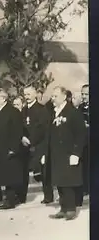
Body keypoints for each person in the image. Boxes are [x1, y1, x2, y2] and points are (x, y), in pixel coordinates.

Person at [44, 86, 86, 221]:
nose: (53, 98)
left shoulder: (72, 112)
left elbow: (81, 135)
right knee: (59, 182)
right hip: (57, 154)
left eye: (55, 96)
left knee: (68, 183)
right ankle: (63, 208)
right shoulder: (54, 112)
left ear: (63, 97)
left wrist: (76, 153)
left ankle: (71, 209)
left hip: (68, 153)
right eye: (52, 96)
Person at [19, 85, 52, 205]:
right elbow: (21, 125)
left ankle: (48, 196)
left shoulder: (42, 109)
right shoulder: (24, 109)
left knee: (43, 172)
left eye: (28, 94)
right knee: (23, 172)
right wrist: (22, 137)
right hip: (25, 144)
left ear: (35, 94)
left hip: (39, 144)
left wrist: (31, 140)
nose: (26, 97)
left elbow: (42, 128)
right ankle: (21, 196)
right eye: (25, 94)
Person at [78, 84, 89, 199]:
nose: (84, 96)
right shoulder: (80, 107)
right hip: (84, 142)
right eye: (82, 94)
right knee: (84, 165)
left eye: (86, 94)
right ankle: (86, 188)